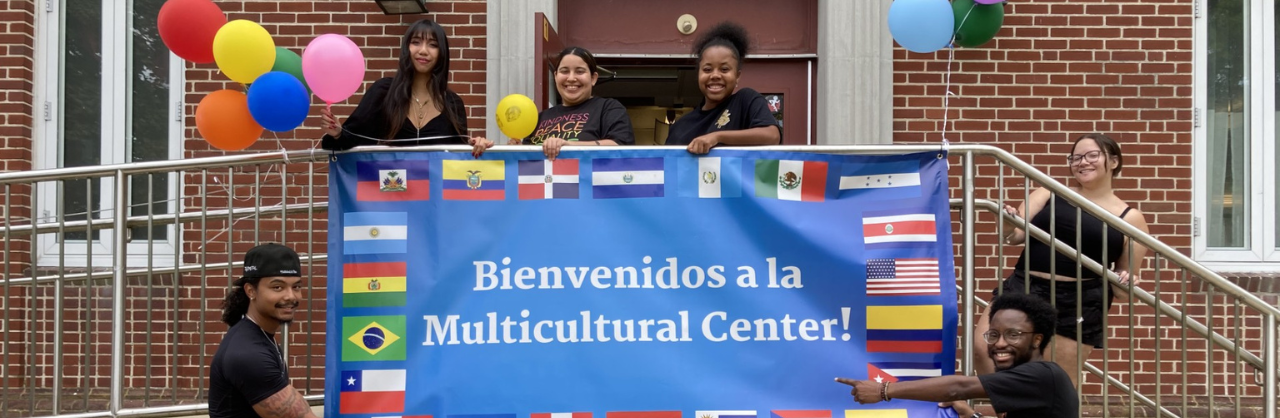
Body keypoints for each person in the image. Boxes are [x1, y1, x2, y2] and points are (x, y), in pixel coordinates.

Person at [976, 133, 1150, 388]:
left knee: (1059, 382)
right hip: (1026, 287)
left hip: (1079, 300)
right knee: (985, 350)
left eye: (1092, 155)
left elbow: (1123, 289)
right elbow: (1014, 236)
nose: (1082, 162)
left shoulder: (1131, 218)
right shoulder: (1049, 192)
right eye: (1076, 157)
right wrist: (1005, 221)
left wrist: (1128, 279)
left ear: (1113, 161)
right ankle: (1009, 409)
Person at [836, 293, 1078, 418]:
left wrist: (883, 391)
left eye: (1013, 335)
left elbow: (959, 386)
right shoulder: (1030, 380)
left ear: (1037, 339)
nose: (1000, 344)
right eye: (993, 335)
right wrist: (970, 414)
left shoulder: (1042, 375)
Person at [320, 19, 492, 157]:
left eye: (433, 45)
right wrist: (337, 133)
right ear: (406, 48)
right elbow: (348, 142)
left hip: (435, 199)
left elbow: (458, 159)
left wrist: (477, 146)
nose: (423, 51)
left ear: (442, 53)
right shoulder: (383, 92)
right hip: (391, 194)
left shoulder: (453, 103)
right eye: (416, 42)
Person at [209, 243, 318, 418]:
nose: (291, 296)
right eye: (277, 287)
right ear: (251, 291)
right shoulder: (248, 354)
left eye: (296, 286)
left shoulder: (258, 335)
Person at [665, 21, 780, 154]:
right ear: (698, 74)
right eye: (707, 69)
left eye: (724, 69)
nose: (715, 75)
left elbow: (772, 136)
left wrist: (717, 137)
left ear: (737, 76)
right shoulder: (680, 126)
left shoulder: (745, 101)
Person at [519, 47, 635, 160]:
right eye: (564, 71)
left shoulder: (608, 108)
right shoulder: (539, 118)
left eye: (579, 71)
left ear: (593, 78)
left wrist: (568, 146)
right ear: (555, 76)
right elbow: (527, 163)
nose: (571, 78)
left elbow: (621, 147)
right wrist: (515, 151)